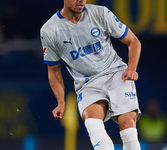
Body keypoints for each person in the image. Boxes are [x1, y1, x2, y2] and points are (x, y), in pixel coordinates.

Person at [40, 0, 141, 150]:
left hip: (116, 74)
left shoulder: (101, 13)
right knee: (98, 135)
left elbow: (134, 41)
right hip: (87, 84)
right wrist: (61, 101)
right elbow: (53, 71)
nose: (81, 0)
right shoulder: (50, 30)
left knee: (128, 131)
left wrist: (131, 68)